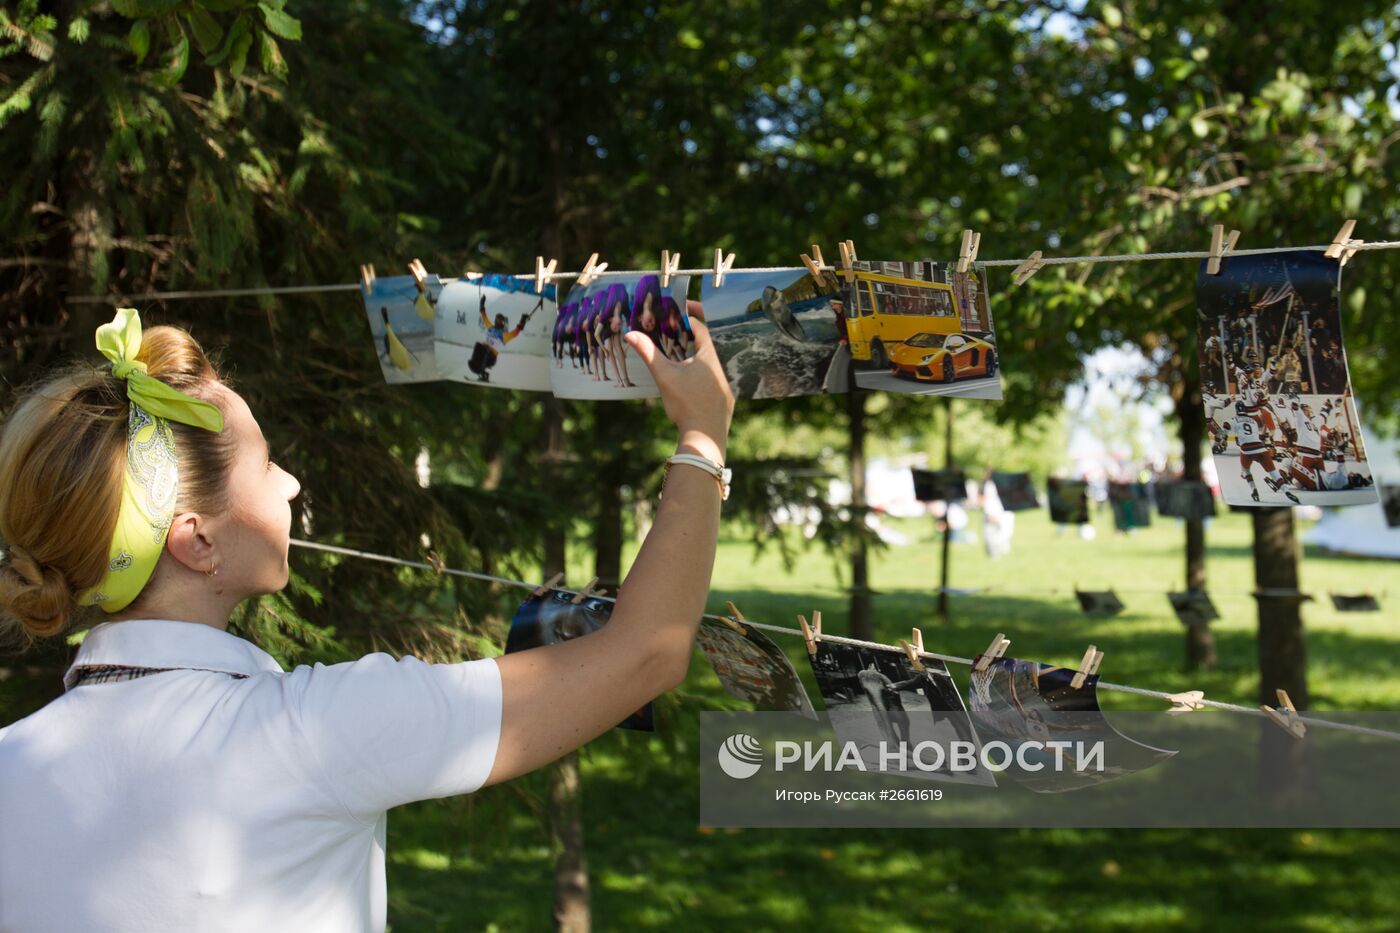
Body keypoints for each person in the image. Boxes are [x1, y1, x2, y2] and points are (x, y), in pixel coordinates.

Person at [0, 306, 734, 932]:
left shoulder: (13, 762)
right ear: (196, 540)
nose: (290, 483)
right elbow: (645, 655)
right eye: (265, 466)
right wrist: (703, 435)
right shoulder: (314, 731)